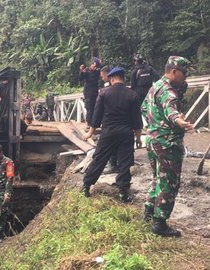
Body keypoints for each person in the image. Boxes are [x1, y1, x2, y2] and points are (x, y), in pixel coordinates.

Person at [141, 56, 194, 237]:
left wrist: (155, 124)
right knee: (169, 181)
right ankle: (160, 223)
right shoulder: (168, 91)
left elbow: (143, 109)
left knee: (157, 177)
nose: (185, 77)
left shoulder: (154, 87)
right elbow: (171, 110)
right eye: (183, 73)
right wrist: (180, 121)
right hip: (167, 143)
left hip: (153, 140)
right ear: (173, 71)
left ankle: (148, 212)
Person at [81, 67, 143, 202]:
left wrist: (90, 133)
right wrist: (138, 138)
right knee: (124, 163)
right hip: (126, 133)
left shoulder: (104, 93)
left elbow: (96, 116)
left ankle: (86, 187)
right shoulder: (132, 94)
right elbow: (137, 119)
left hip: (108, 132)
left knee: (99, 159)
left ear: (112, 78)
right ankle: (123, 192)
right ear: (123, 78)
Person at [79, 57, 102, 127]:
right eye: (94, 66)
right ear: (91, 64)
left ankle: (95, 123)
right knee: (89, 107)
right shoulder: (86, 70)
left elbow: (104, 68)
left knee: (96, 107)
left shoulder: (97, 71)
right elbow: (80, 79)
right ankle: (89, 123)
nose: (95, 68)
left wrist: (99, 63)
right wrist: (81, 71)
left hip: (95, 91)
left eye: (96, 67)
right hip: (88, 92)